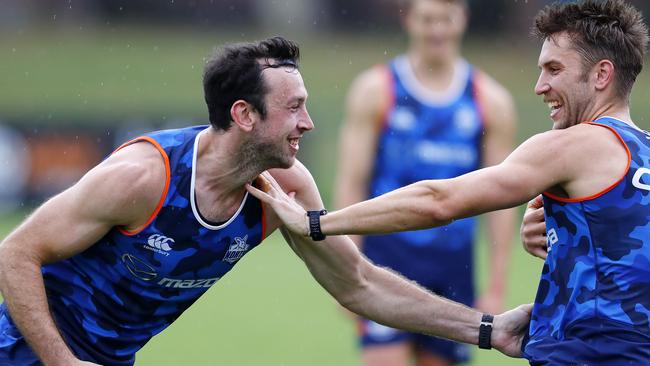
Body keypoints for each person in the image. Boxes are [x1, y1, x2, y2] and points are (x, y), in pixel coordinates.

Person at [0, 37, 531, 366]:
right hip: (24, 348)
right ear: (244, 115)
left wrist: (487, 329)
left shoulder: (287, 189)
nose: (308, 123)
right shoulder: (144, 178)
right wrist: (61, 361)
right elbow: (15, 252)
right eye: (294, 108)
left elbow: (359, 283)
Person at [247, 1, 650, 364]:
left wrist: (315, 222)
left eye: (554, 69)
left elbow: (440, 200)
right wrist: (562, 239)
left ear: (601, 74)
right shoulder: (641, 152)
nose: (540, 86)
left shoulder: (572, 144)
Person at [334, 0, 516, 364]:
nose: (437, 30)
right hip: (383, 267)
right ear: (409, 21)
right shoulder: (376, 90)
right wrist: (345, 271)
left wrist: (495, 285)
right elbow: (351, 184)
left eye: (445, 20)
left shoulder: (489, 101)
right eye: (427, 20)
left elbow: (503, 202)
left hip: (454, 271)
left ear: (462, 19)